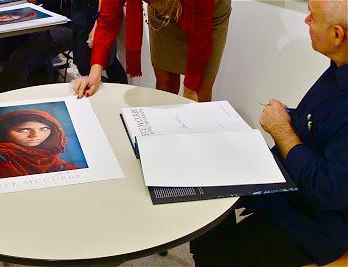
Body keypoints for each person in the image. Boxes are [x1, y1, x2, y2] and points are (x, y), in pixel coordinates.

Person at [190, 0, 348, 266]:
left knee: (220, 250)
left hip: (316, 224)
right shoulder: (338, 67)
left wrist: (282, 129)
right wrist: (289, 117)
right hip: (290, 185)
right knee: (205, 176)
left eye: (312, 16)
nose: (306, 21)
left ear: (337, 35)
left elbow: (326, 190)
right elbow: (322, 123)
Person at [74, 0, 231, 102]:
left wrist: (189, 91)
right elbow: (108, 20)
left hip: (210, 15)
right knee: (166, 87)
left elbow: (201, 38)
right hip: (163, 14)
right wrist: (95, 73)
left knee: (200, 94)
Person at [0, 110, 77, 181]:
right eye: (24, 130)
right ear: (3, 132)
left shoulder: (46, 155)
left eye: (44, 129)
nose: (36, 135)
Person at [71, 0, 128, 84]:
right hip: (80, 12)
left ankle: (120, 90)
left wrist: (97, 22)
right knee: (83, 62)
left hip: (94, 13)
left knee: (108, 61)